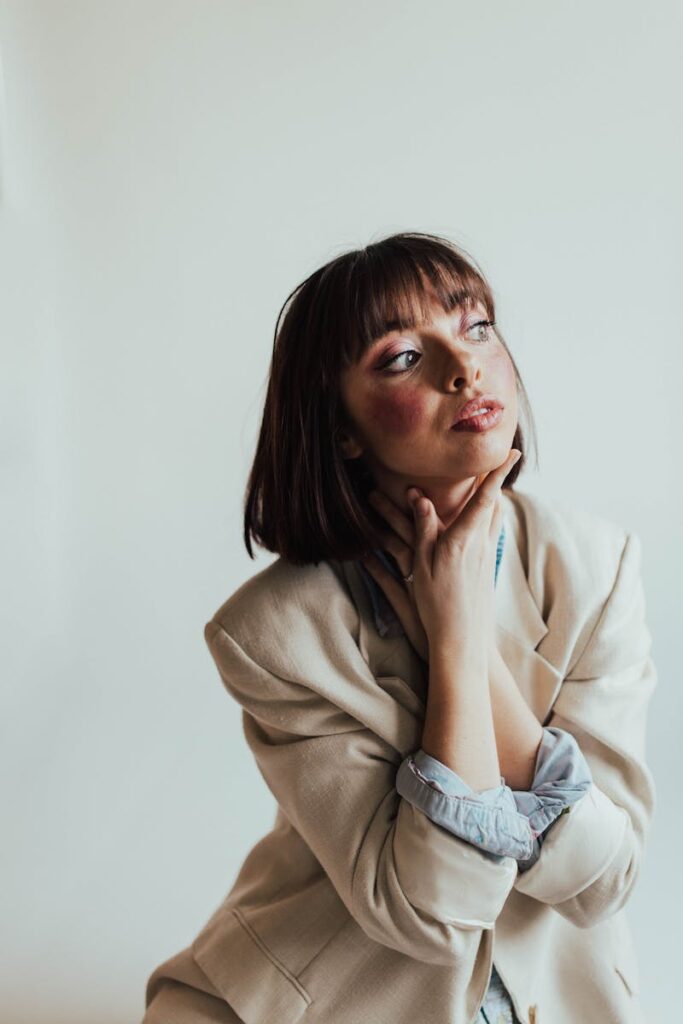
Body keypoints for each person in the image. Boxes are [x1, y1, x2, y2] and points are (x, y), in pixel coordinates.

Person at [142, 231, 656, 1024]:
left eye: (475, 326)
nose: (465, 367)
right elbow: (432, 916)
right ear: (341, 427)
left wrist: (461, 631)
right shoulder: (274, 633)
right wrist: (449, 644)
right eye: (401, 357)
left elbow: (602, 879)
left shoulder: (594, 568)